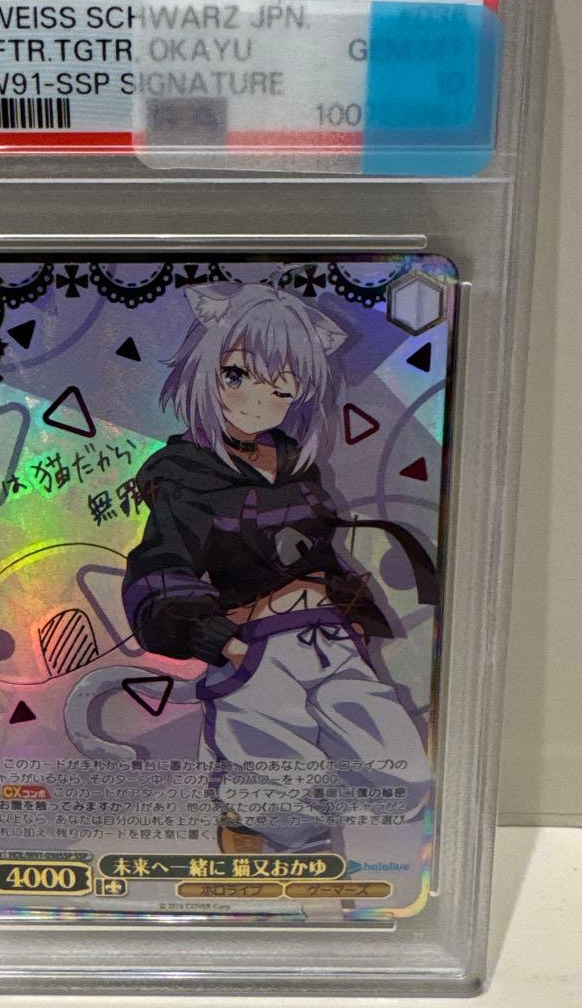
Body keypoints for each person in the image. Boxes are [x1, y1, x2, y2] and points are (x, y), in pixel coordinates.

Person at [122, 278, 437, 854]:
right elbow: (160, 569)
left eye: (281, 389)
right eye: (235, 376)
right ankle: (263, 836)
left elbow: (320, 551)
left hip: (326, 637)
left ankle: (257, 805)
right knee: (283, 804)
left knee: (404, 781)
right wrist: (226, 643)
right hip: (253, 648)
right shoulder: (185, 474)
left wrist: (347, 614)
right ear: (207, 369)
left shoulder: (295, 465)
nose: (255, 400)